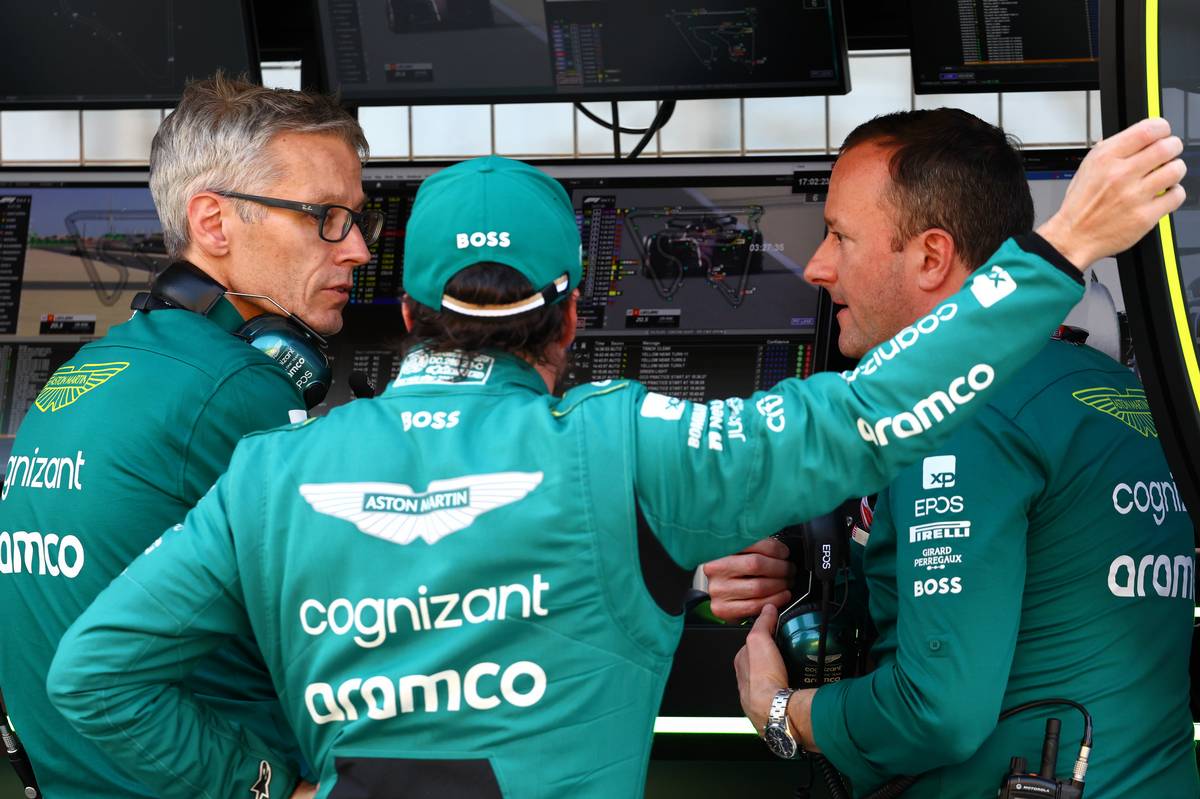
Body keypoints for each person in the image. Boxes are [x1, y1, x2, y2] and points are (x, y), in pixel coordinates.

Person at [47, 117, 1183, 799]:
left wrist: (255, 783)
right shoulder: (633, 442)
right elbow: (869, 417)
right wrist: (1062, 247)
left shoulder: (268, 473)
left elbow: (91, 677)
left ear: (403, 303)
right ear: (575, 315)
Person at [718, 109, 1198, 797]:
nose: (818, 267)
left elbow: (935, 712)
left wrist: (779, 710)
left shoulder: (955, 414)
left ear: (931, 256)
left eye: (840, 237)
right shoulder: (1124, 392)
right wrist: (800, 568)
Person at [0, 74, 377, 797]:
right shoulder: (239, 388)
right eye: (325, 216)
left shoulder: (92, 369)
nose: (356, 248)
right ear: (213, 223)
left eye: (359, 220)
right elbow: (358, 625)